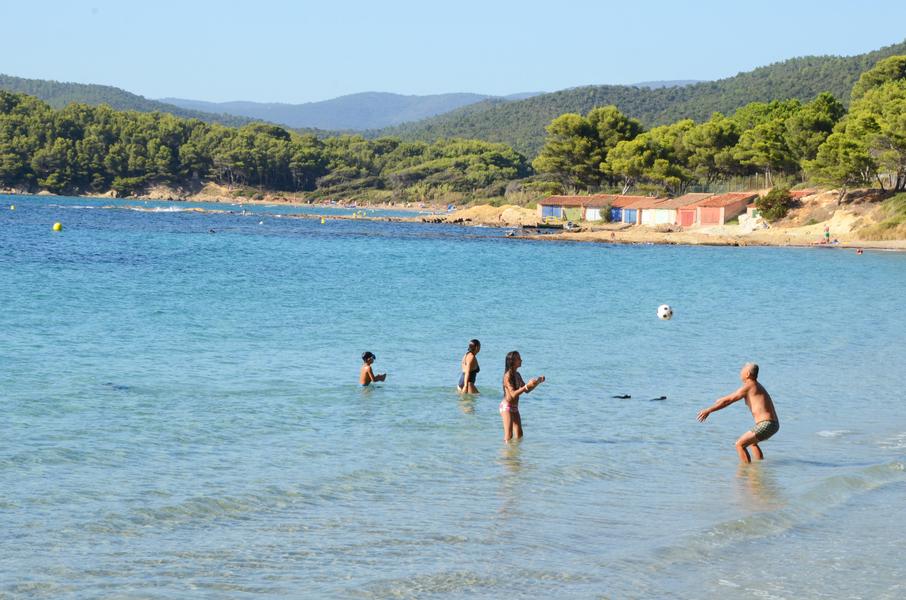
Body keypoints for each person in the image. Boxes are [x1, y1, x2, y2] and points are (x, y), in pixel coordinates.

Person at [697, 363, 779, 463]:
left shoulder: (749, 386)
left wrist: (709, 410)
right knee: (752, 443)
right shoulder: (754, 386)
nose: (740, 372)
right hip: (773, 424)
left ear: (748, 374)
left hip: (766, 424)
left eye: (742, 369)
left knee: (740, 444)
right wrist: (722, 399)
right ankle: (759, 469)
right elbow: (732, 396)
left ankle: (746, 472)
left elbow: (729, 401)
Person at [500, 351, 545, 443]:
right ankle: (506, 456)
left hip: (515, 407)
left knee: (520, 435)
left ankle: (515, 455)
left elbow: (527, 390)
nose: (521, 360)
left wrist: (537, 382)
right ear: (512, 361)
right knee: (509, 435)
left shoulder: (517, 375)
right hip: (506, 407)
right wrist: (526, 386)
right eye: (519, 358)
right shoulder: (507, 376)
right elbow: (513, 394)